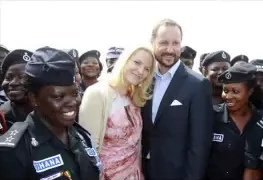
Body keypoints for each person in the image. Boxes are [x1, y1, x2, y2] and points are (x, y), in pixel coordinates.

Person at [0, 47, 101, 180]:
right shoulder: (14, 151)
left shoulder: (83, 136)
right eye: (58, 97)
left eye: (75, 93)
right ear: (34, 98)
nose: (72, 102)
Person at [141, 19, 213, 180]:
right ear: (152, 43)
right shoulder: (144, 80)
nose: (170, 49)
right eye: (164, 43)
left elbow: (199, 145)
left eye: (176, 43)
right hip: (142, 171)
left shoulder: (197, 85)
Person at [79, 46, 156, 180]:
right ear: (125, 60)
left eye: (147, 69)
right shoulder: (97, 94)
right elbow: (88, 151)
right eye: (137, 63)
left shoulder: (135, 97)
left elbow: (136, 146)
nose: (140, 71)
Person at [206, 62, 263, 180]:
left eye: (235, 91)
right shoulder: (211, 116)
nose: (228, 96)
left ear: (250, 92)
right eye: (225, 90)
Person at [0, 49, 34, 132]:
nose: (13, 83)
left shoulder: (54, 114)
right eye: (8, 78)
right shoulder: (2, 116)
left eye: (23, 77)